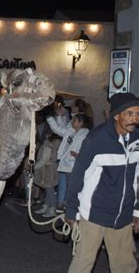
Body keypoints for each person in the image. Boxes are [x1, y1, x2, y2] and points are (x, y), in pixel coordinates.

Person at [65, 92, 139, 273]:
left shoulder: (137, 139)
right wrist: (71, 210)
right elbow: (77, 176)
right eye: (129, 113)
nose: (135, 119)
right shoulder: (96, 139)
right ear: (116, 115)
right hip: (93, 214)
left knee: (125, 266)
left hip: (123, 215)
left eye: (138, 114)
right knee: (83, 263)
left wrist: (137, 210)